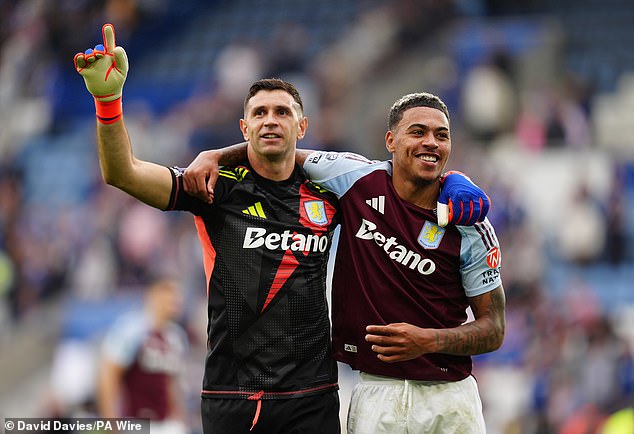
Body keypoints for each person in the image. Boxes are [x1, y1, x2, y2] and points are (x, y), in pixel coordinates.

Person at [74, 23, 491, 434]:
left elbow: (408, 172)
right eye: (259, 113)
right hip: (234, 393)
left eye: (282, 112)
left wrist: (456, 180)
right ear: (245, 127)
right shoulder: (215, 187)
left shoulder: (333, 189)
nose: (270, 120)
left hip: (314, 394)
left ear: (302, 127)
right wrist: (109, 101)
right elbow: (122, 173)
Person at [184, 94, 506, 433]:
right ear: (390, 141)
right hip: (376, 394)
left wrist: (429, 341)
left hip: (450, 400)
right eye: (418, 132)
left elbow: (494, 329)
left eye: (442, 135)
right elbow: (280, 149)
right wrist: (215, 155)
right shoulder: (354, 177)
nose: (431, 142)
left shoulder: (469, 222)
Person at [97, 277, 188, 434]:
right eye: (168, 290)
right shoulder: (131, 330)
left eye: (177, 292)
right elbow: (108, 377)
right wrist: (111, 424)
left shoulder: (176, 337)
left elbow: (170, 384)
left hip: (167, 424)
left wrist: (179, 417)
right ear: (152, 294)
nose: (175, 297)